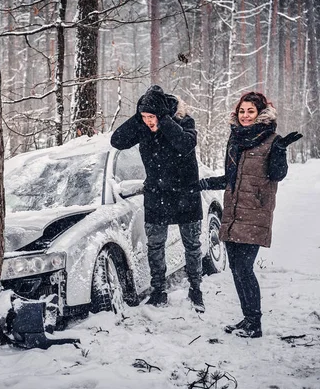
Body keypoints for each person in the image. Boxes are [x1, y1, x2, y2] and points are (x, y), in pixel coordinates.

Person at [199, 91, 302, 337]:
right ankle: (247, 319)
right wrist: (202, 184)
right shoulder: (235, 139)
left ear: (260, 114)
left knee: (244, 268)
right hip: (233, 212)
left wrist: (280, 152)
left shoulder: (271, 140)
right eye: (242, 111)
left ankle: (254, 324)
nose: (245, 116)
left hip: (255, 213)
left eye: (250, 111)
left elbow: (277, 175)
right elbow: (230, 179)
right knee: (236, 268)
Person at [111, 85, 206, 313]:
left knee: (192, 245)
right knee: (155, 246)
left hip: (186, 193)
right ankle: (158, 291)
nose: (148, 121)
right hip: (157, 194)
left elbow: (184, 144)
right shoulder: (143, 126)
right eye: (144, 117)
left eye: (151, 117)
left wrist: (163, 120)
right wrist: (139, 116)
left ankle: (196, 289)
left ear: (162, 115)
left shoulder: (184, 122)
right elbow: (117, 141)